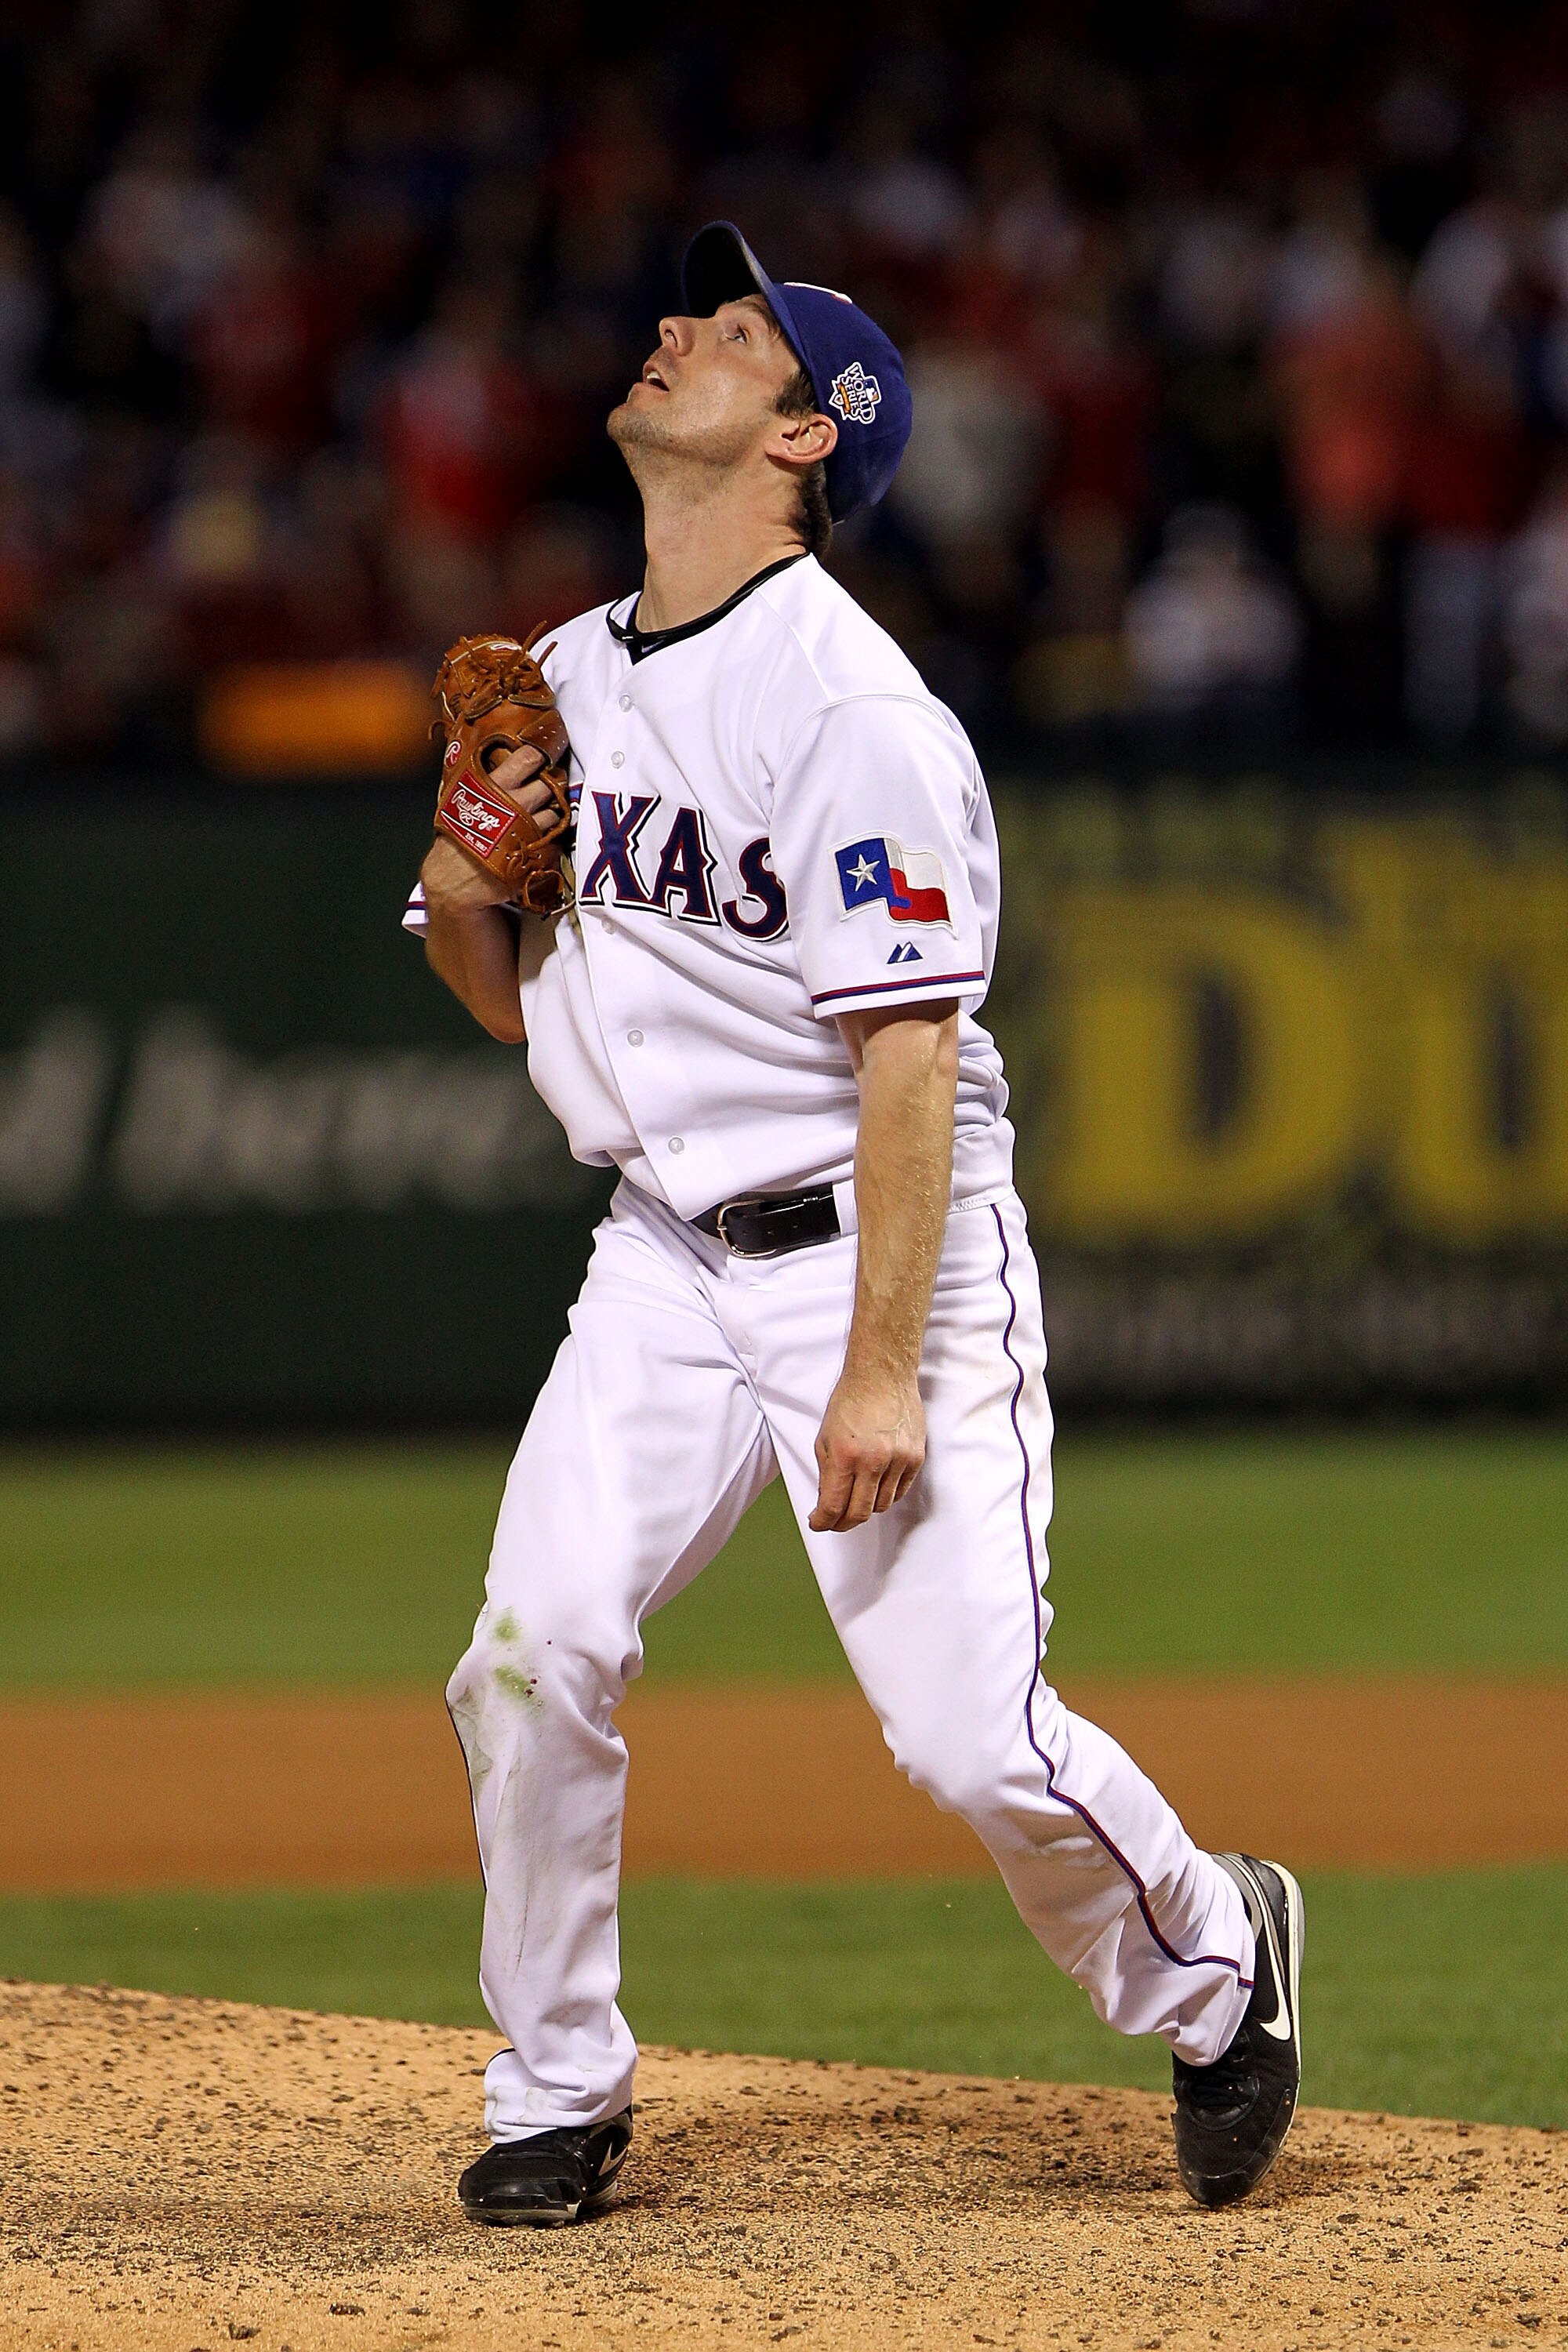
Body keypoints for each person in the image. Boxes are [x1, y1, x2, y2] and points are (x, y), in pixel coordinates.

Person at [406, 220, 1303, 2227]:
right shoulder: (556, 670)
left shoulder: (856, 712)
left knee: (974, 1747)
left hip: (879, 1256)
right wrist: (473, 879)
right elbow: (503, 995)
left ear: (805, 435)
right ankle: (557, 2084)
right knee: (528, 1657)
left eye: (727, 334)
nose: (669, 331)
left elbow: (907, 1063)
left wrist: (881, 1371)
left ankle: (1217, 1957)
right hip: (654, 1251)